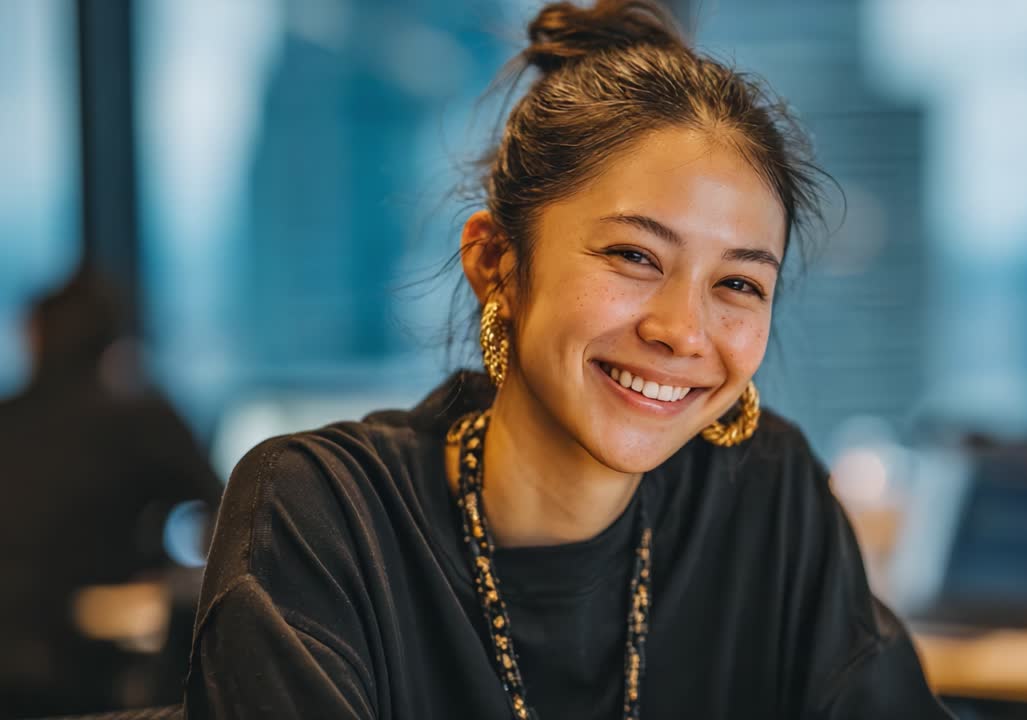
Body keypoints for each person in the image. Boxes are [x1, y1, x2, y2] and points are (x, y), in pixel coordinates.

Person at [184, 1, 953, 717]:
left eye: (738, 284)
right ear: (496, 263)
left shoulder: (767, 496)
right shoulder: (326, 516)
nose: (683, 332)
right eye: (633, 255)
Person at [0, 269, 223, 717]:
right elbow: (230, 513)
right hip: (96, 660)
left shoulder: (7, 420)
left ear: (34, 336)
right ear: (113, 342)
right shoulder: (141, 418)